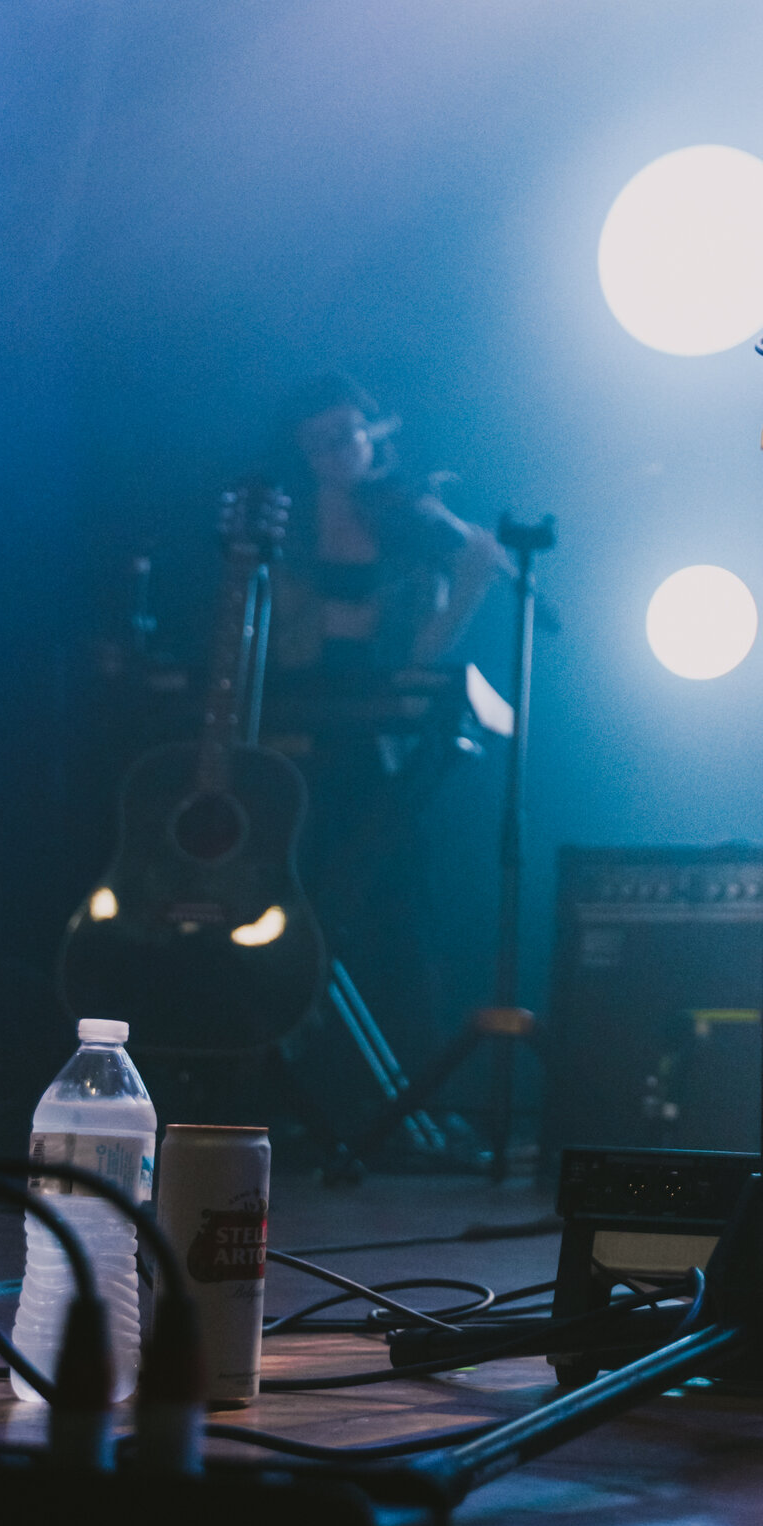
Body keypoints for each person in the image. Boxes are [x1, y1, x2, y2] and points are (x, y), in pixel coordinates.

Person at [259, 372, 506, 1068]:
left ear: (372, 435)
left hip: (377, 740)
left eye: (348, 435)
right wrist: (354, 619)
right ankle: (290, 1076)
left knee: (395, 905)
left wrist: (472, 580)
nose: (338, 452)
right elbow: (284, 637)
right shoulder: (285, 526)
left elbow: (418, 654)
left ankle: (407, 1092)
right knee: (299, 897)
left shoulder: (405, 527)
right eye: (320, 443)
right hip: (294, 737)